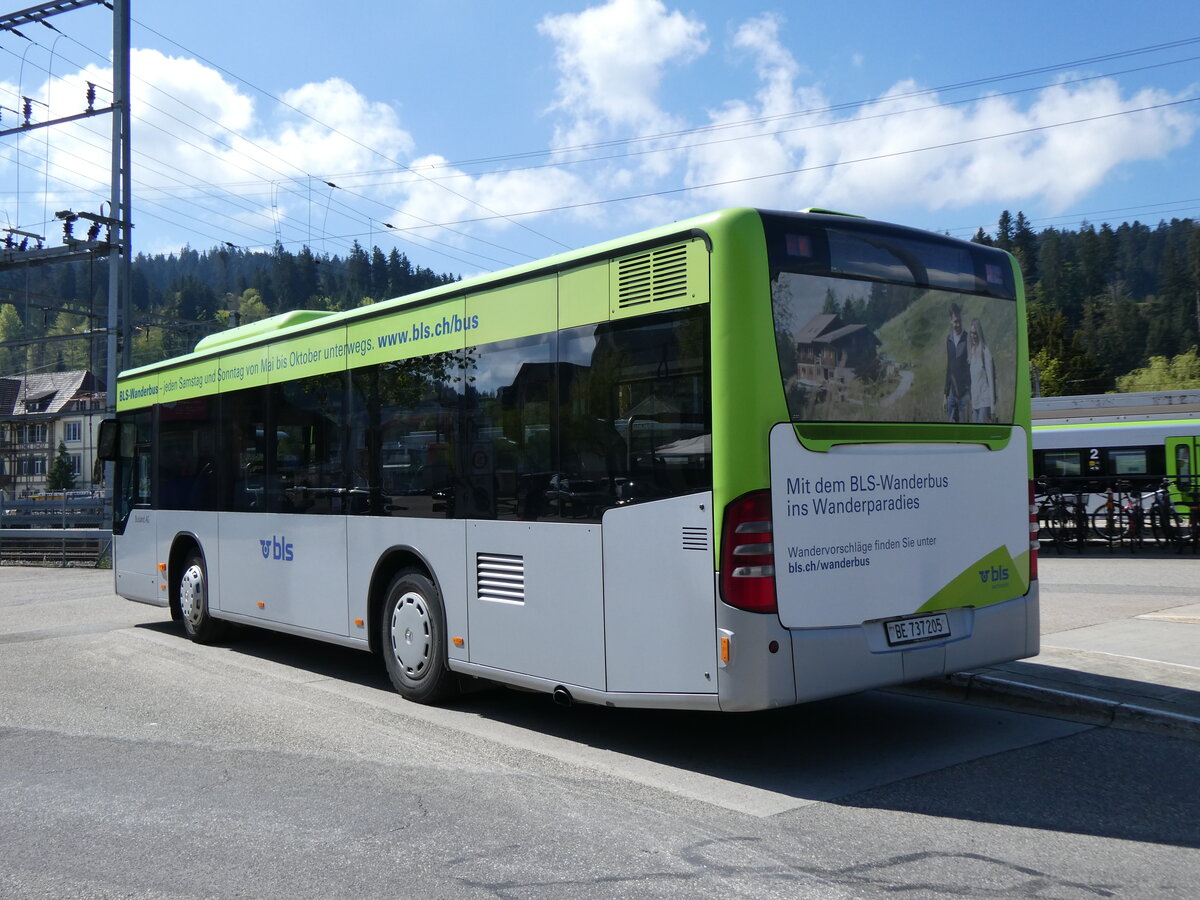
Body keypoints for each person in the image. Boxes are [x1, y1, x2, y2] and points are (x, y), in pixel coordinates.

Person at [944, 303, 971, 422]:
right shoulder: (949, 340)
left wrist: (969, 392)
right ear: (950, 321)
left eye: (959, 321)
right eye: (955, 322)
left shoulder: (967, 338)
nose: (958, 324)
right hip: (952, 395)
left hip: (965, 394)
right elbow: (949, 367)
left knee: (964, 428)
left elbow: (971, 366)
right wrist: (945, 394)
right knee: (949, 428)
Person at [968, 317, 996, 423]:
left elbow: (991, 381)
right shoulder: (972, 352)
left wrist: (992, 409)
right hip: (975, 404)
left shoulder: (985, 352)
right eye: (971, 333)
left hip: (985, 401)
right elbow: (973, 382)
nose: (973, 336)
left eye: (975, 333)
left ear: (979, 334)